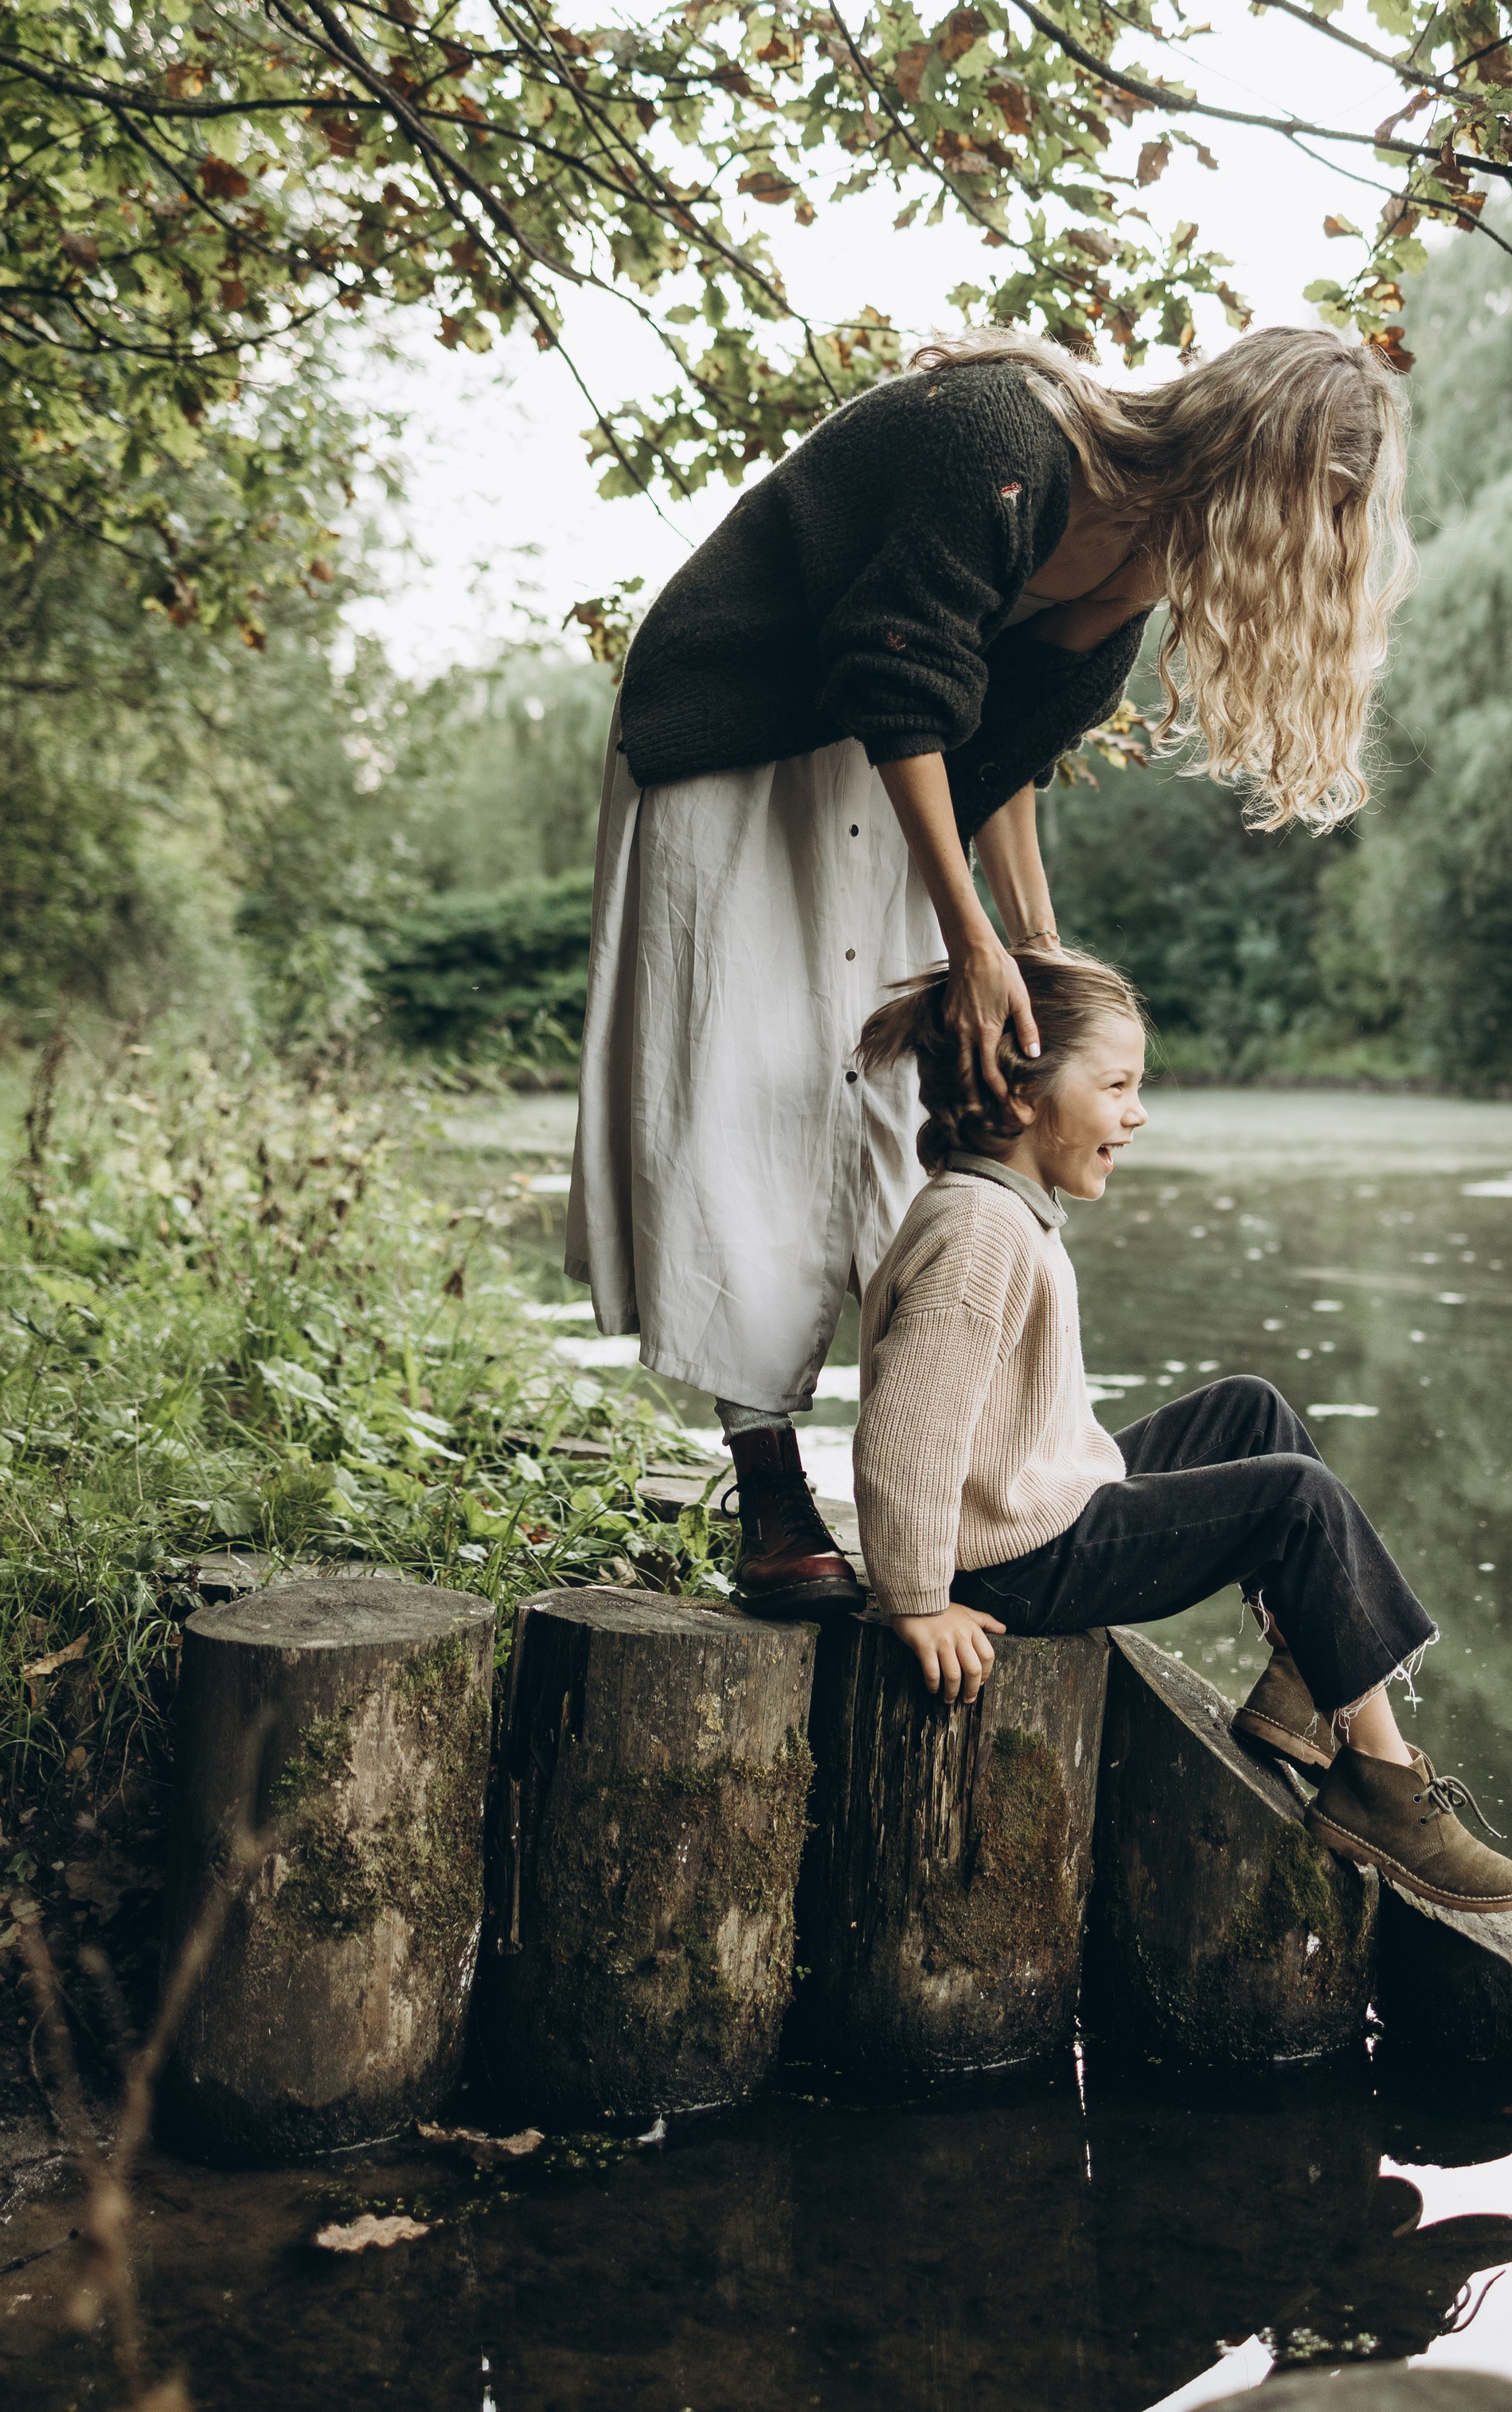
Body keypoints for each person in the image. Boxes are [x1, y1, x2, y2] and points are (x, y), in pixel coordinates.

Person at [566, 325, 1412, 1615]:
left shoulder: (1137, 572)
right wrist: (965, 939)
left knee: (903, 1097)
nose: (1307, 544)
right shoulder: (999, 439)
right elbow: (899, 673)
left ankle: (943, 1488)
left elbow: (993, 753)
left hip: (885, 762)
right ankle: (771, 1483)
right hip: (741, 735)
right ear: (1249, 458)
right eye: (1312, 506)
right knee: (751, 1083)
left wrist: (1034, 944)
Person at [851, 948, 1512, 1915]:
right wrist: (918, 1602)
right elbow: (902, 1443)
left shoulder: (1002, 1209)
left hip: (1035, 1504)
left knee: (1250, 1410)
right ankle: (1378, 1780)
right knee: (1295, 1500)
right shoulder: (980, 1234)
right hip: (1006, 1566)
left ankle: (1309, 1681)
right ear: (1025, 1094)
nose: (1137, 1113)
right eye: (1116, 1086)